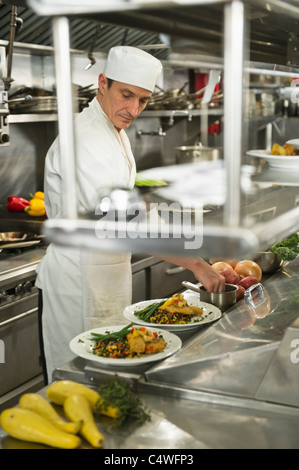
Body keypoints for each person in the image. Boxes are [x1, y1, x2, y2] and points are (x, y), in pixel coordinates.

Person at [36, 46, 225, 383]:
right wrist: (193, 263)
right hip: (79, 278)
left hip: (105, 272)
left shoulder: (113, 130)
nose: (133, 109)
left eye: (143, 100)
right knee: (77, 378)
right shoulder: (87, 137)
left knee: (107, 372)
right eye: (126, 95)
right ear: (102, 83)